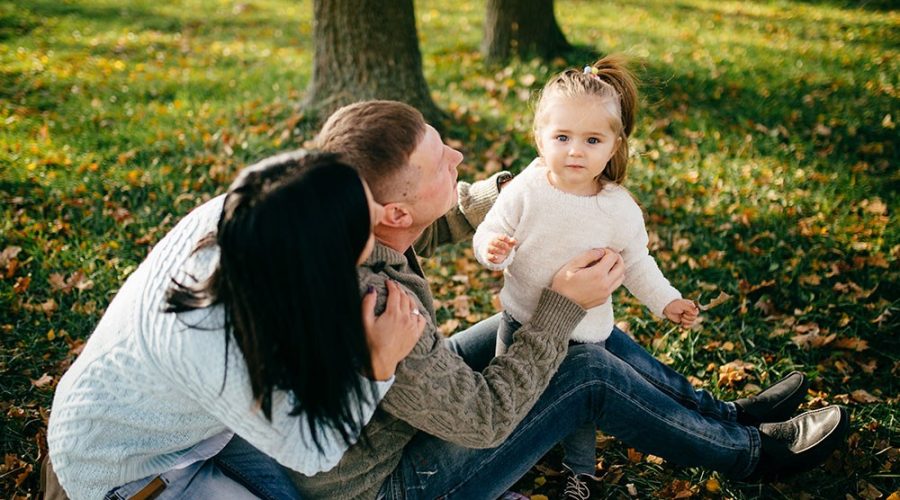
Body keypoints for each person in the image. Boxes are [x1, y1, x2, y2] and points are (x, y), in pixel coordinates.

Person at [290, 100, 848, 500]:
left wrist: (498, 199)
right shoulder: (381, 306)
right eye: (440, 162)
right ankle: (749, 456)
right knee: (580, 367)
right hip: (390, 486)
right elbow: (485, 420)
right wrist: (561, 306)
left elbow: (424, 230)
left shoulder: (346, 225)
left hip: (396, 415)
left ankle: (722, 415)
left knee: (537, 325)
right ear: (393, 212)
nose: (458, 155)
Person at [44, 152, 424, 499]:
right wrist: (377, 365)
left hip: (194, 429)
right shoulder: (215, 340)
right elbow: (311, 451)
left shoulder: (259, 212)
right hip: (128, 474)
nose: (379, 212)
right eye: (365, 216)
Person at [471, 55, 702, 488]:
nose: (575, 150)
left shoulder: (616, 208)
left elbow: (636, 263)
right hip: (520, 319)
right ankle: (511, 472)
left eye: (593, 140)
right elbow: (490, 230)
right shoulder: (526, 188)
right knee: (510, 400)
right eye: (562, 136)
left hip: (586, 331)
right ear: (540, 140)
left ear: (614, 146)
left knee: (578, 410)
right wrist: (493, 249)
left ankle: (580, 474)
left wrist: (667, 300)